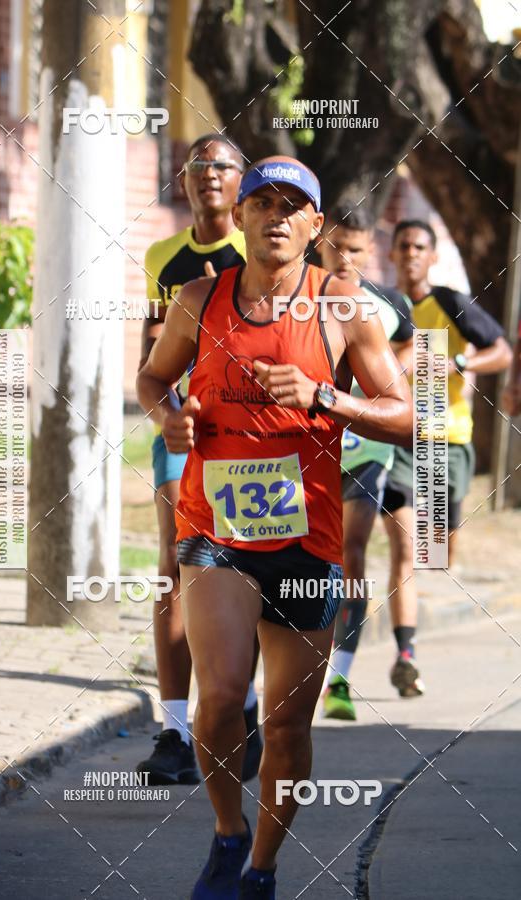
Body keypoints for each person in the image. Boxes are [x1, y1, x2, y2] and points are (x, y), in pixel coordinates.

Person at [137, 156, 413, 899]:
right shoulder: (199, 298)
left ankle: (262, 866)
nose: (278, 216)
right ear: (243, 215)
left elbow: (408, 414)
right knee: (223, 697)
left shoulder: (345, 309)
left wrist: (327, 397)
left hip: (307, 540)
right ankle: (227, 836)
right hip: (215, 527)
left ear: (316, 227)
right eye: (264, 202)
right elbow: (152, 377)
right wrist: (170, 417)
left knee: (288, 730)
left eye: (296, 206)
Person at [136, 133, 262, 785]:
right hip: (184, 437)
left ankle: (242, 706)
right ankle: (174, 730)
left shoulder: (261, 253)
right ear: (182, 180)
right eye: (196, 164)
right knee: (174, 564)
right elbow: (149, 364)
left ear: (242, 182)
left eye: (221, 165)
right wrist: (167, 418)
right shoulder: (163, 257)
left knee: (249, 568)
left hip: (253, 446)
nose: (208, 174)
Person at [381, 219, 512, 698]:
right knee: (405, 552)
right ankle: (406, 655)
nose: (411, 254)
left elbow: (500, 352)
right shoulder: (381, 307)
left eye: (420, 246)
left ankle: (421, 620)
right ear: (392, 254)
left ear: (431, 256)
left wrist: (458, 363)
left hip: (446, 442)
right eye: (403, 246)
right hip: (397, 441)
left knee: (440, 554)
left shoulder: (451, 304)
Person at [319, 205, 413, 721]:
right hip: (309, 451)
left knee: (351, 553)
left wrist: (391, 382)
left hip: (367, 450)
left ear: (369, 251)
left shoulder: (391, 303)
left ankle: (341, 677)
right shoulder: (300, 297)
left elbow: (410, 349)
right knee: (308, 559)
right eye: (337, 247)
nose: (346, 258)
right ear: (321, 243)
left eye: (356, 249)